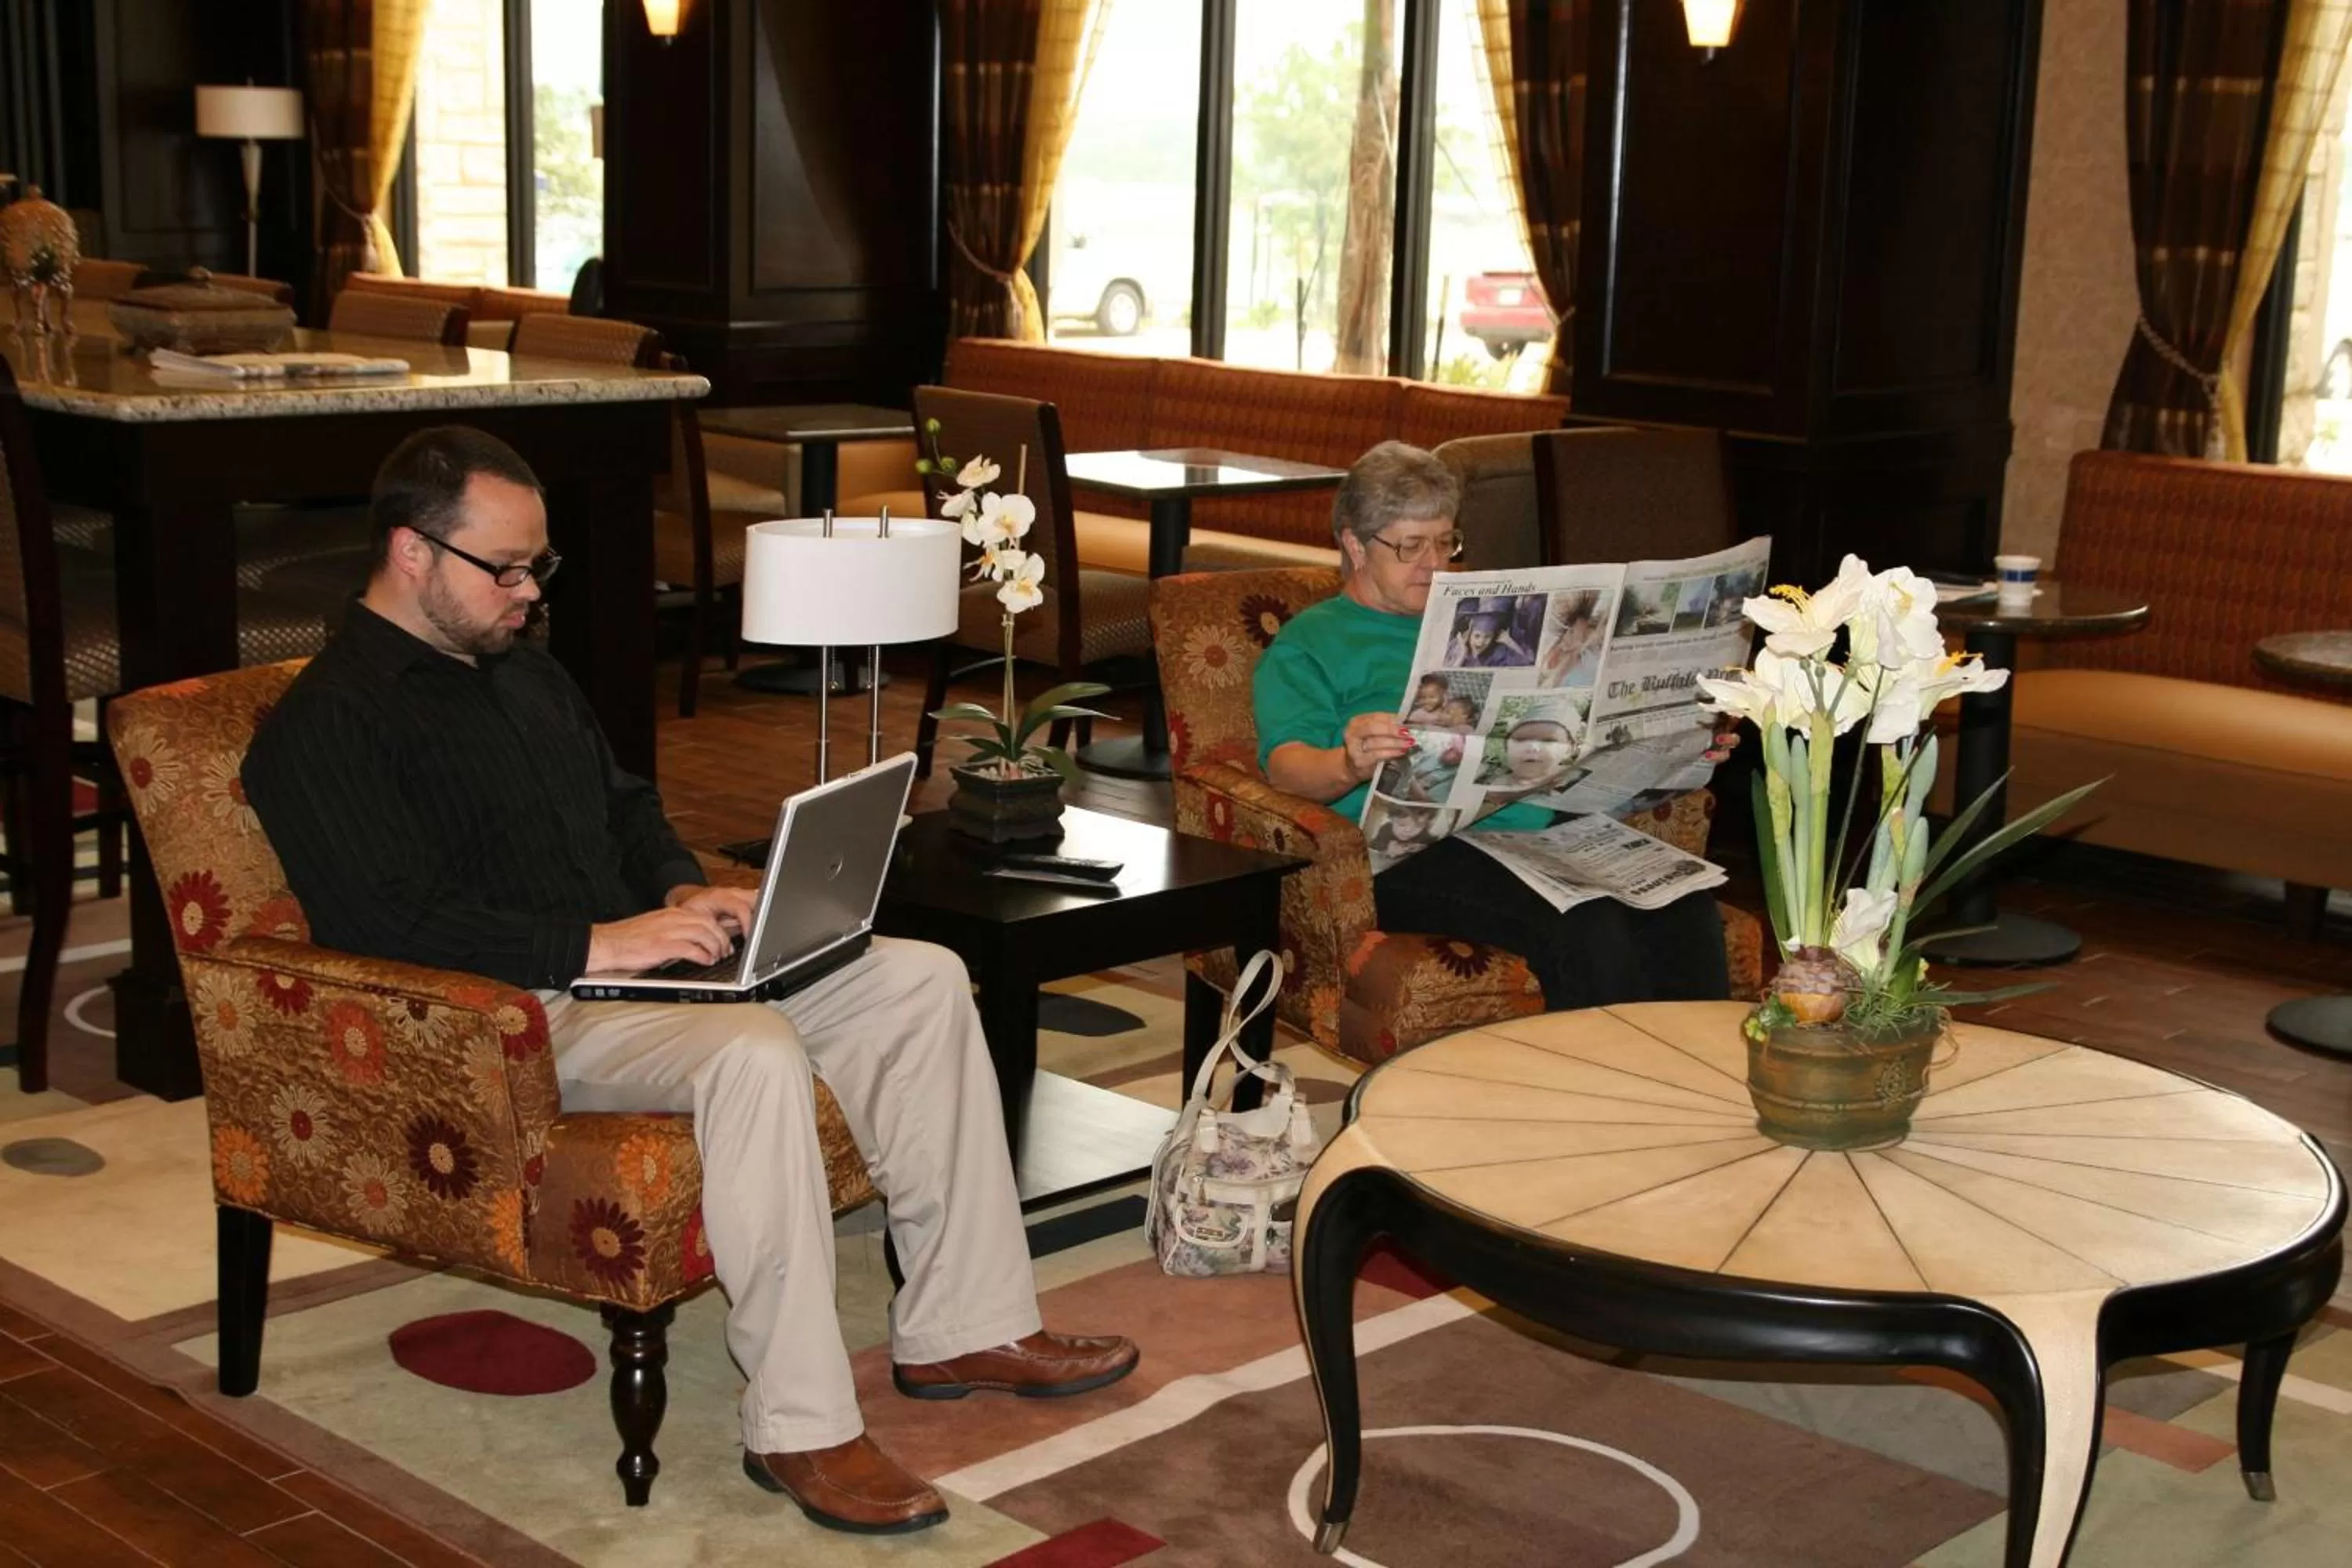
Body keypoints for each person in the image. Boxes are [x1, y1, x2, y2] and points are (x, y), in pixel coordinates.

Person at [244, 427, 1137, 1538]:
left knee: (919, 979)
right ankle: (799, 1424)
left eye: (540, 568)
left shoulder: (524, 668)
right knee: (754, 1052)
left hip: (634, 972)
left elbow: (624, 805)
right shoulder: (326, 723)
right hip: (516, 1014)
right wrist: (598, 944)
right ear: (412, 552)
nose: (529, 593)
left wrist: (677, 895)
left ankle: (963, 1324)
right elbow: (383, 921)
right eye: (507, 570)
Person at [1251, 440, 1729, 1008]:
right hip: (1412, 851)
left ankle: (1697, 1093)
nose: (1435, 563)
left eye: (1445, 541)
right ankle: (1601, 1095)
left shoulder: (1494, 614)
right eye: (1410, 546)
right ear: (1356, 545)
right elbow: (1284, 768)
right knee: (1589, 925)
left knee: (1687, 908)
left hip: (1541, 828)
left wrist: (1680, 745)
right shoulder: (1313, 641)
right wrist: (1347, 762)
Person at [1478, 716, 1580, 796]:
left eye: (1548, 741)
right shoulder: (1485, 778)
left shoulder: (1572, 786)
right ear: (1506, 746)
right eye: (1521, 740)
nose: (1532, 748)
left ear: (1569, 749)